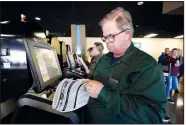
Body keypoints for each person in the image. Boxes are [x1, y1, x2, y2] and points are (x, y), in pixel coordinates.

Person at [85, 7, 166, 124]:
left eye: (111, 36)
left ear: (127, 34)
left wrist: (103, 93)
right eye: (105, 37)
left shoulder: (147, 66)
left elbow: (152, 116)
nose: (107, 41)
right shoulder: (104, 59)